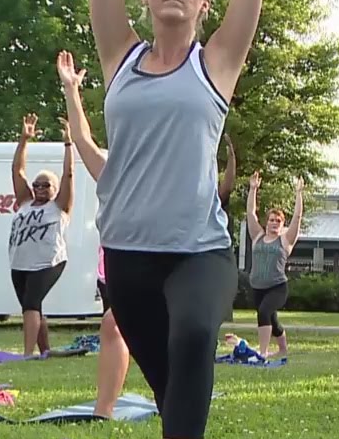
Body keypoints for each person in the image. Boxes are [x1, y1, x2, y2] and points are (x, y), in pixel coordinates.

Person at [82, 0, 288, 439]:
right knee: (169, 379)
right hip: (128, 256)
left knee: (195, 336)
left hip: (199, 247)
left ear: (203, 1)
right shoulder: (118, 58)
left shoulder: (217, 64)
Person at [58, 52, 236, 419]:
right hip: (122, 268)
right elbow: (81, 138)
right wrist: (71, 90)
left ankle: (165, 416)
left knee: (167, 337)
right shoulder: (112, 170)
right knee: (123, 333)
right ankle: (111, 407)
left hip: (174, 262)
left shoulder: (170, 168)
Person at [8, 113, 73, 357]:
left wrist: (68, 144)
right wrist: (24, 139)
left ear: (55, 189)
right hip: (20, 264)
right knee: (33, 306)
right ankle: (45, 351)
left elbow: (68, 175)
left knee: (30, 304)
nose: (39, 188)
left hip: (48, 262)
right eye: (37, 184)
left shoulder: (59, 206)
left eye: (46, 185)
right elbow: (18, 169)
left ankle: (27, 355)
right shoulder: (25, 202)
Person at [245, 172, 303, 359]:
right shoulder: (258, 236)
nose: (274, 223)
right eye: (271, 220)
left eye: (278, 221)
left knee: (264, 312)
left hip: (277, 287)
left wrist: (299, 193)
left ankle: (262, 353)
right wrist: (253, 189)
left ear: (281, 224)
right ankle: (283, 350)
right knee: (272, 319)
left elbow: (297, 218)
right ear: (266, 222)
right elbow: (250, 214)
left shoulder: (285, 241)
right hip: (257, 287)